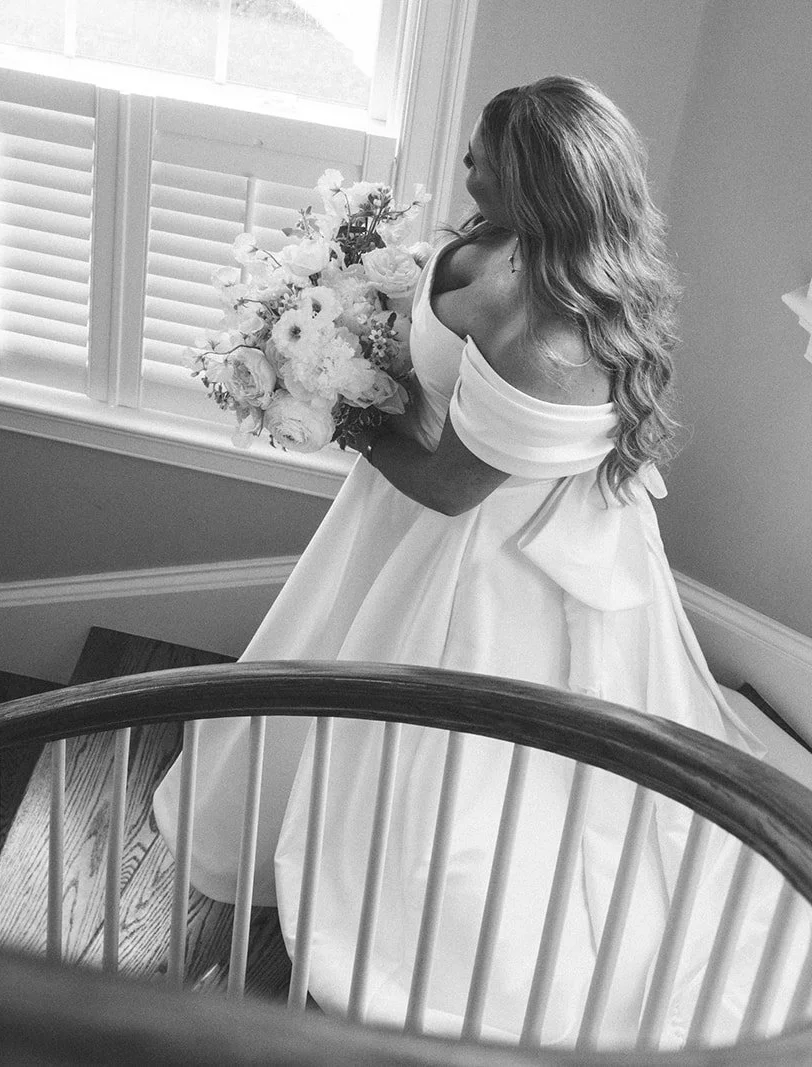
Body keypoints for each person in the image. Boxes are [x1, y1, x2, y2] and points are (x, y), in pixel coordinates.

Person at [152, 77, 797, 1047]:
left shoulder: (546, 337)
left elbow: (452, 489)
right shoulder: (499, 244)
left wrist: (339, 413)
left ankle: (407, 944)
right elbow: (430, 320)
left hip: (479, 560)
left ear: (532, 182)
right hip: (408, 521)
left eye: (478, 158)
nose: (461, 169)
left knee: (455, 768)